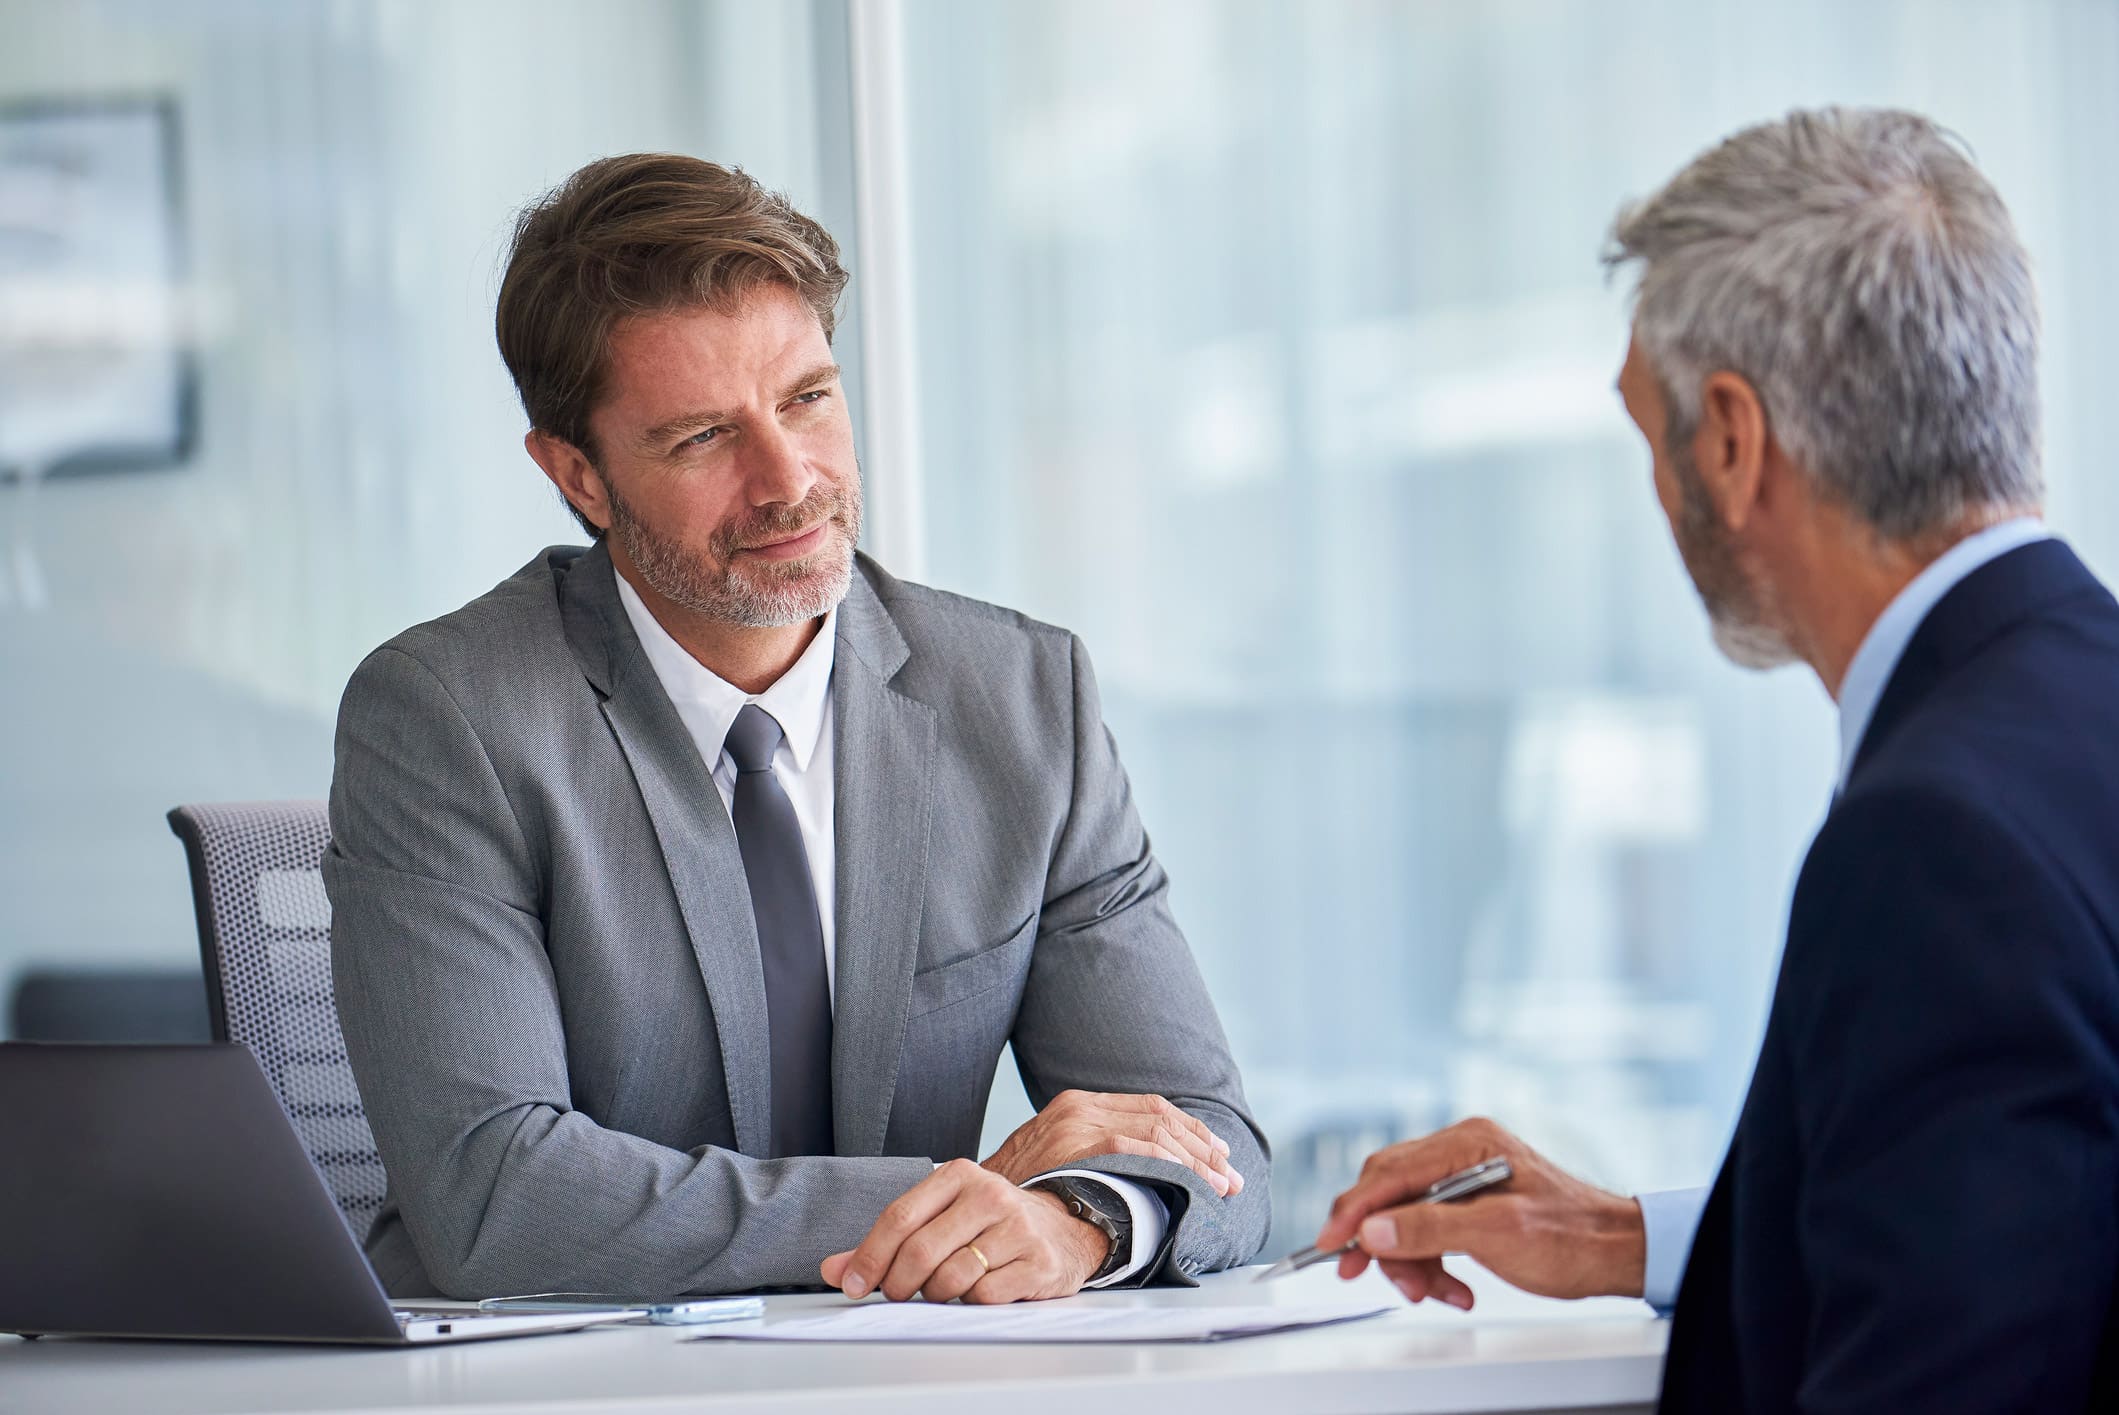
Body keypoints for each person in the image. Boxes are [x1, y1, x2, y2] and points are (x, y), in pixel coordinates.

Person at [323, 155, 1269, 1304]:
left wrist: (1080, 1220)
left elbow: (1211, 1152)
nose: (788, 479)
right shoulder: (450, 716)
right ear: (579, 474)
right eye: (701, 438)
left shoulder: (1023, 699)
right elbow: (498, 1198)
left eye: (808, 398)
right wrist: (960, 1196)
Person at [1318, 108, 2119, 1409]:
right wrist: (1626, 1234)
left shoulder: (1936, 840)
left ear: (1732, 440)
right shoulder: (2073, 713)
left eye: (1649, 432)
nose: (1654, 486)